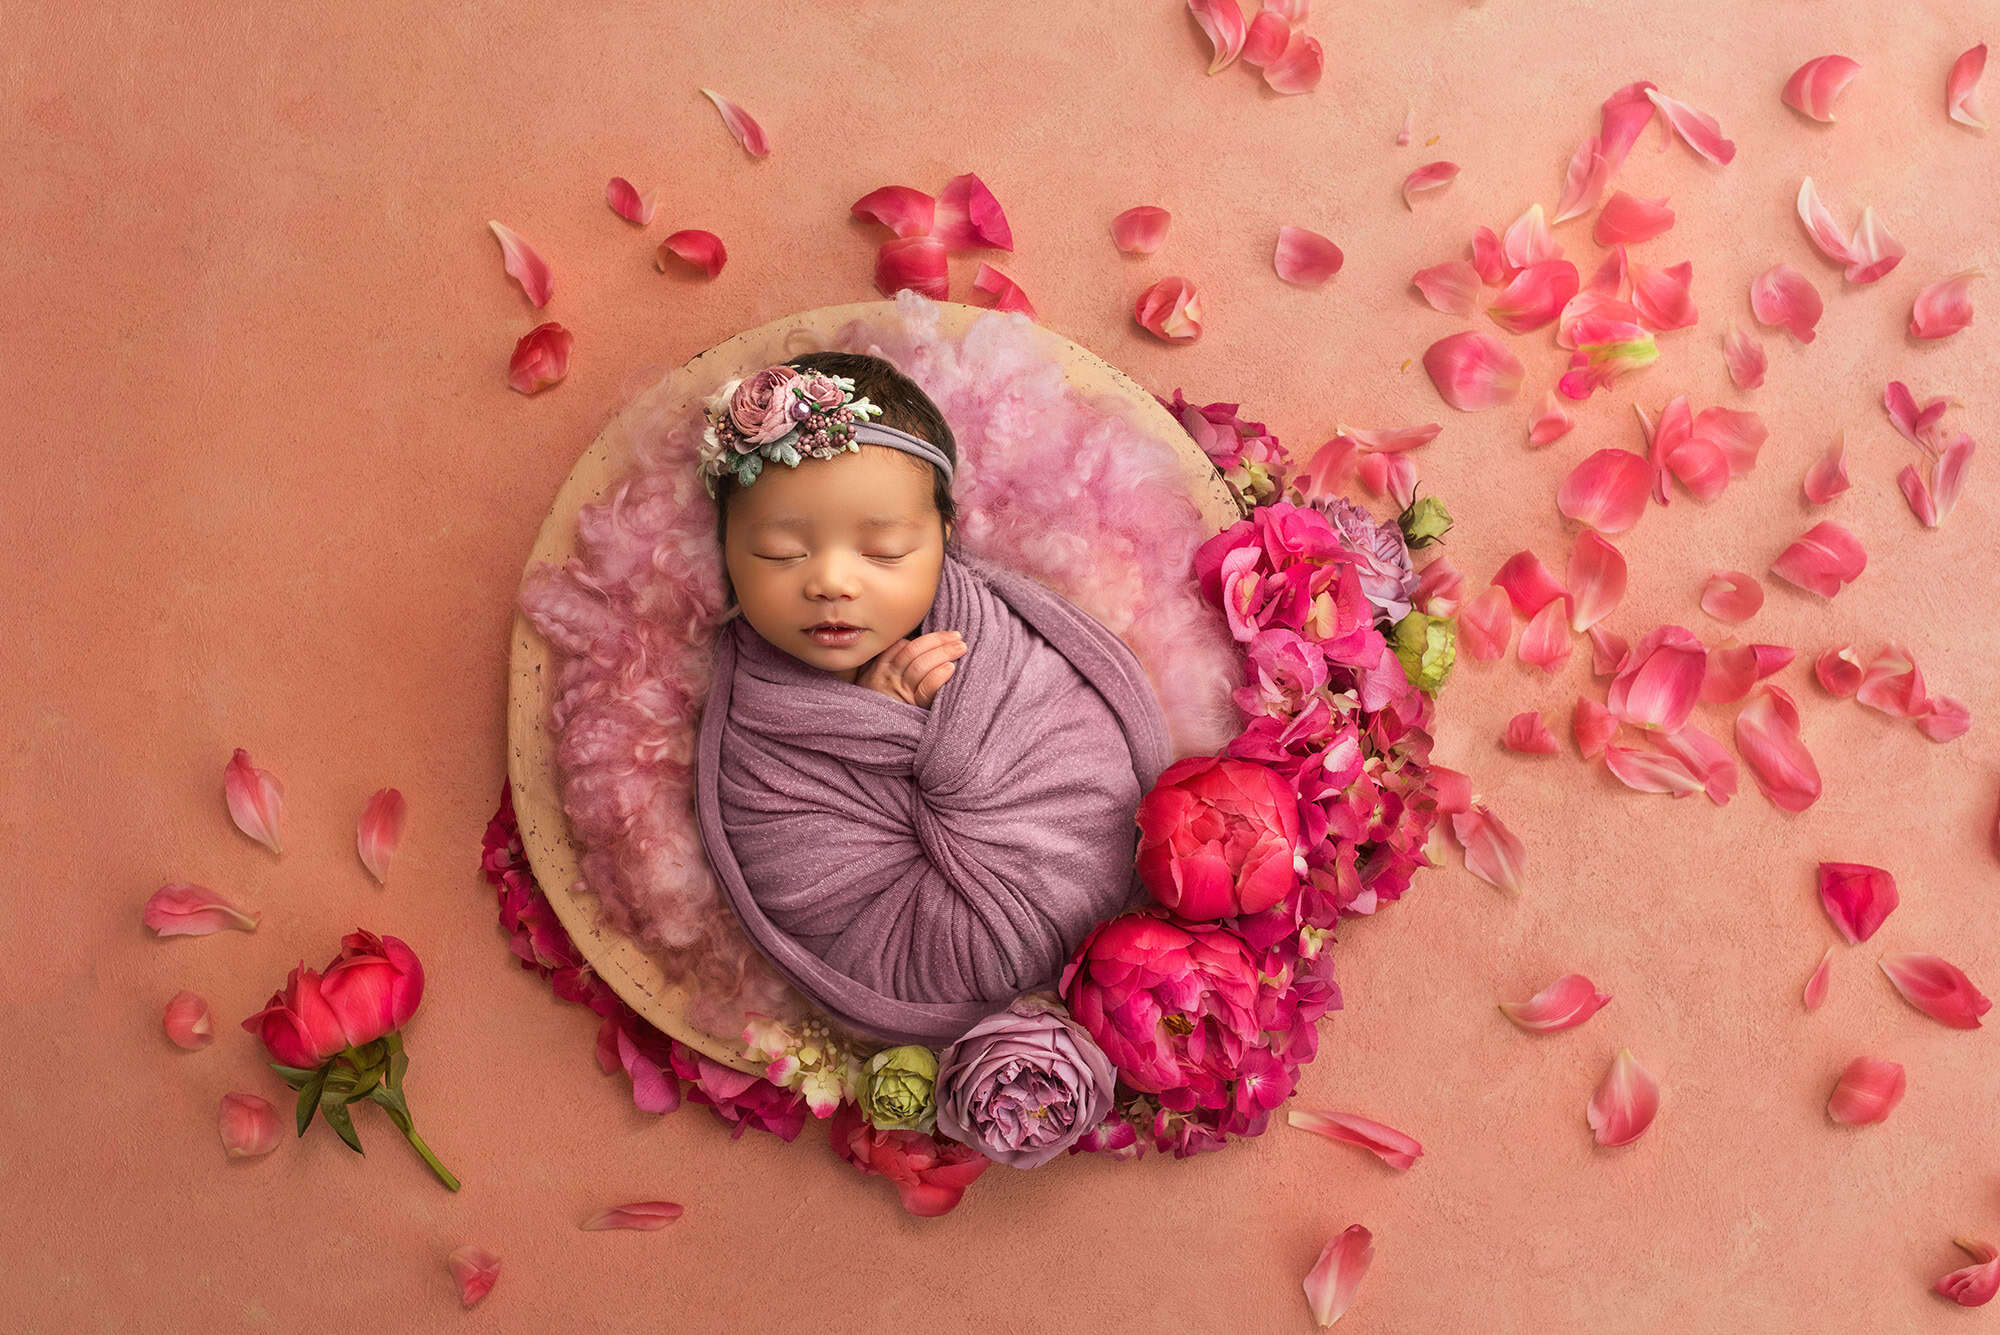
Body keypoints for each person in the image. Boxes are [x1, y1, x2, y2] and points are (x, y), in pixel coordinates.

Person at [692, 351, 1174, 1047]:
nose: (831, 581)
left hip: (1057, 847)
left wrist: (906, 729)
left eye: (884, 550)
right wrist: (873, 720)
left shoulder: (992, 640)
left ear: (945, 539)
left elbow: (1073, 743)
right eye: (778, 552)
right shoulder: (755, 713)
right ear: (727, 552)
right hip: (886, 926)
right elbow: (785, 839)